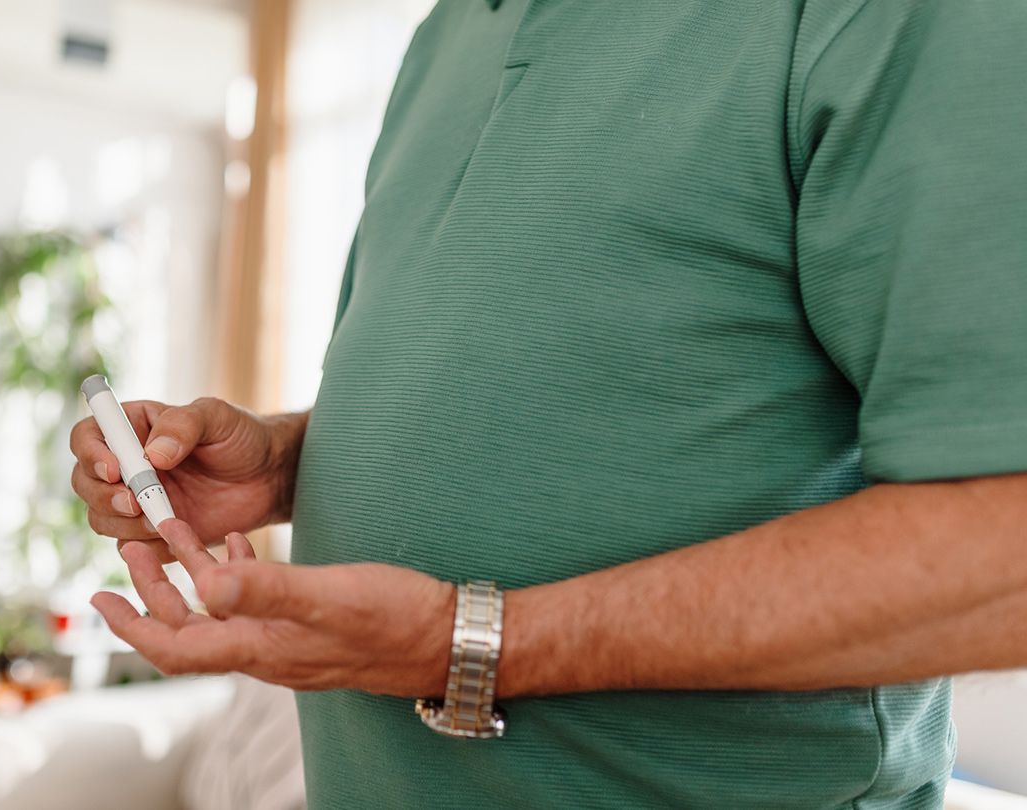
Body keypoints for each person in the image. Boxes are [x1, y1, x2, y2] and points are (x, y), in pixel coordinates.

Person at [70, 0, 1027, 806]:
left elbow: (1003, 553)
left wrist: (476, 643)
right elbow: (599, 380)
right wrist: (281, 463)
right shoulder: (447, 31)